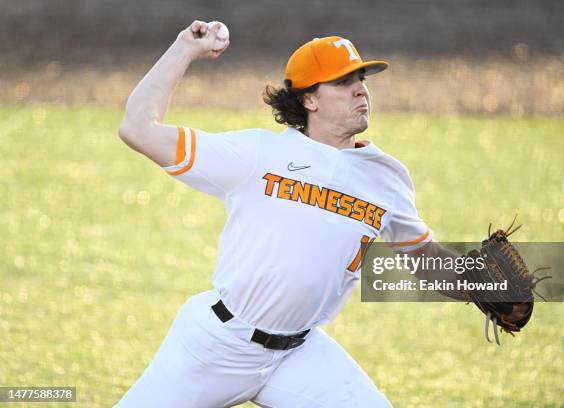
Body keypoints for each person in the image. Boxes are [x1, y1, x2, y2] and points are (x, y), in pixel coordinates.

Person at [115, 20, 470, 407]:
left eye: (361, 78)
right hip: (217, 347)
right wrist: (185, 48)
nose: (360, 89)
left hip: (298, 356)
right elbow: (138, 128)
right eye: (342, 82)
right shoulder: (256, 155)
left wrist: (487, 284)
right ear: (309, 100)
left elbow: (421, 256)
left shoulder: (387, 178)